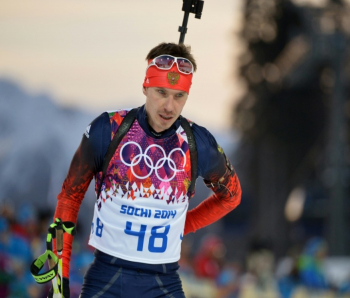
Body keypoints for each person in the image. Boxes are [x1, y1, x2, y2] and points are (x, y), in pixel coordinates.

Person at [50, 42, 242, 298]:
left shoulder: (198, 143)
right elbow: (70, 198)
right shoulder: (107, 129)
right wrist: (58, 276)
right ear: (145, 86)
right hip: (107, 278)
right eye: (161, 92)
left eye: (179, 96)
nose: (169, 107)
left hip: (163, 283)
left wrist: (184, 225)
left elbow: (231, 196)